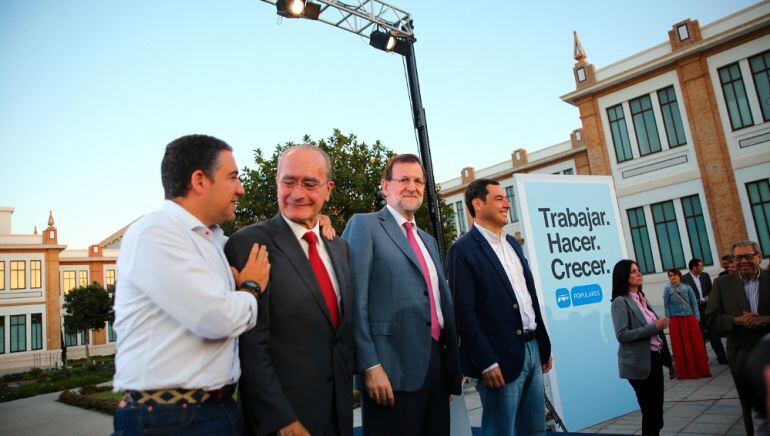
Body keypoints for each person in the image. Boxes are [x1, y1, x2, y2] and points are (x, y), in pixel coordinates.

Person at [113, 134, 270, 435]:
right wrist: (251, 288)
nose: (241, 189)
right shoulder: (156, 233)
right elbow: (215, 319)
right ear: (199, 180)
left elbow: (266, 242)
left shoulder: (211, 241)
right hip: (169, 420)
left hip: (213, 412)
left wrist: (314, 222)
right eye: (233, 177)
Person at [225, 145, 354, 436]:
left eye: (309, 184)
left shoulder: (340, 247)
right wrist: (280, 419)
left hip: (338, 414)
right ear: (277, 183)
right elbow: (250, 344)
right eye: (288, 182)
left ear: (328, 189)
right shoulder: (249, 244)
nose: (297, 194)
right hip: (284, 422)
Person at [342, 154, 462, 436]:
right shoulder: (365, 225)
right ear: (386, 187)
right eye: (404, 179)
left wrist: (450, 366)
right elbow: (353, 301)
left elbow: (439, 302)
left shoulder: (428, 240)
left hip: (436, 366)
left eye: (418, 181)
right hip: (390, 371)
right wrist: (369, 365)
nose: (412, 186)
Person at [445, 179, 552, 436]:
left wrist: (542, 344)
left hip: (532, 351)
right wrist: (486, 362)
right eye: (499, 198)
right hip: (498, 361)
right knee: (501, 431)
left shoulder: (513, 244)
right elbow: (463, 313)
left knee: (535, 429)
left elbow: (529, 297)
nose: (507, 203)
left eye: (506, 198)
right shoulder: (462, 250)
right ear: (478, 204)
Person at [707, 241, 770, 436]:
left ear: (758, 257)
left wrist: (766, 320)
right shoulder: (722, 284)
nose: (743, 261)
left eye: (748, 256)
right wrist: (737, 321)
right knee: (749, 403)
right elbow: (711, 319)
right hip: (741, 353)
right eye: (738, 258)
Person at [610, 259, 670, 436]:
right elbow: (622, 335)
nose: (639, 274)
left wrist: (668, 359)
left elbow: (655, 333)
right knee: (651, 413)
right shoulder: (620, 302)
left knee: (657, 413)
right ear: (623, 276)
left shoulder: (642, 298)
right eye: (633, 271)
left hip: (654, 360)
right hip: (638, 364)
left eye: (638, 270)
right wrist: (655, 327)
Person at [663, 269, 711, 379]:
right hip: (676, 320)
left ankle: (699, 369)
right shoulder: (668, 290)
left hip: (689, 318)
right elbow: (666, 305)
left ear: (679, 276)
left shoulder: (687, 287)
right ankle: (684, 370)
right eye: (670, 276)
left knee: (695, 343)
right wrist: (669, 319)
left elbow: (694, 303)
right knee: (680, 345)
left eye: (674, 275)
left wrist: (696, 317)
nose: (672, 277)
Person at [683, 258, 728, 364]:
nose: (702, 268)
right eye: (700, 266)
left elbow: (711, 289)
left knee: (714, 333)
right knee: (699, 335)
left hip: (707, 308)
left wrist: (708, 296)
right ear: (694, 268)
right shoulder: (684, 279)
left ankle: (722, 358)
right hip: (695, 310)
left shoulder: (705, 276)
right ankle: (703, 359)